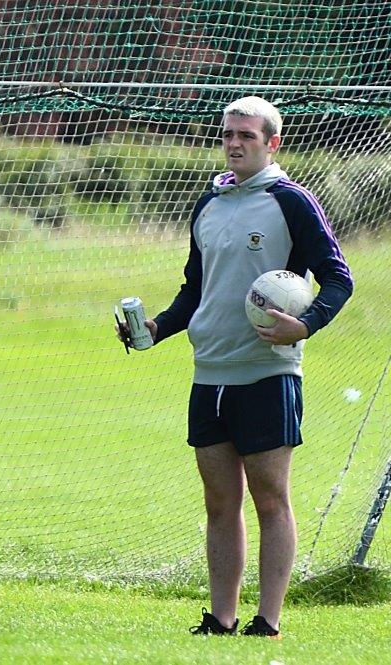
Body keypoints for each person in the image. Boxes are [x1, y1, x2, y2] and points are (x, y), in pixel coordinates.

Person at [118, 96, 353, 639]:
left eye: (247, 135)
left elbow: (338, 277)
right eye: (228, 134)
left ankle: (267, 621)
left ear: (272, 143)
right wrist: (155, 328)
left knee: (270, 498)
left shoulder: (291, 201)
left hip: (267, 373)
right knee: (220, 503)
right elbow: (195, 290)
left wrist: (307, 324)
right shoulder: (210, 204)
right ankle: (221, 618)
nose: (234, 143)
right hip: (210, 373)